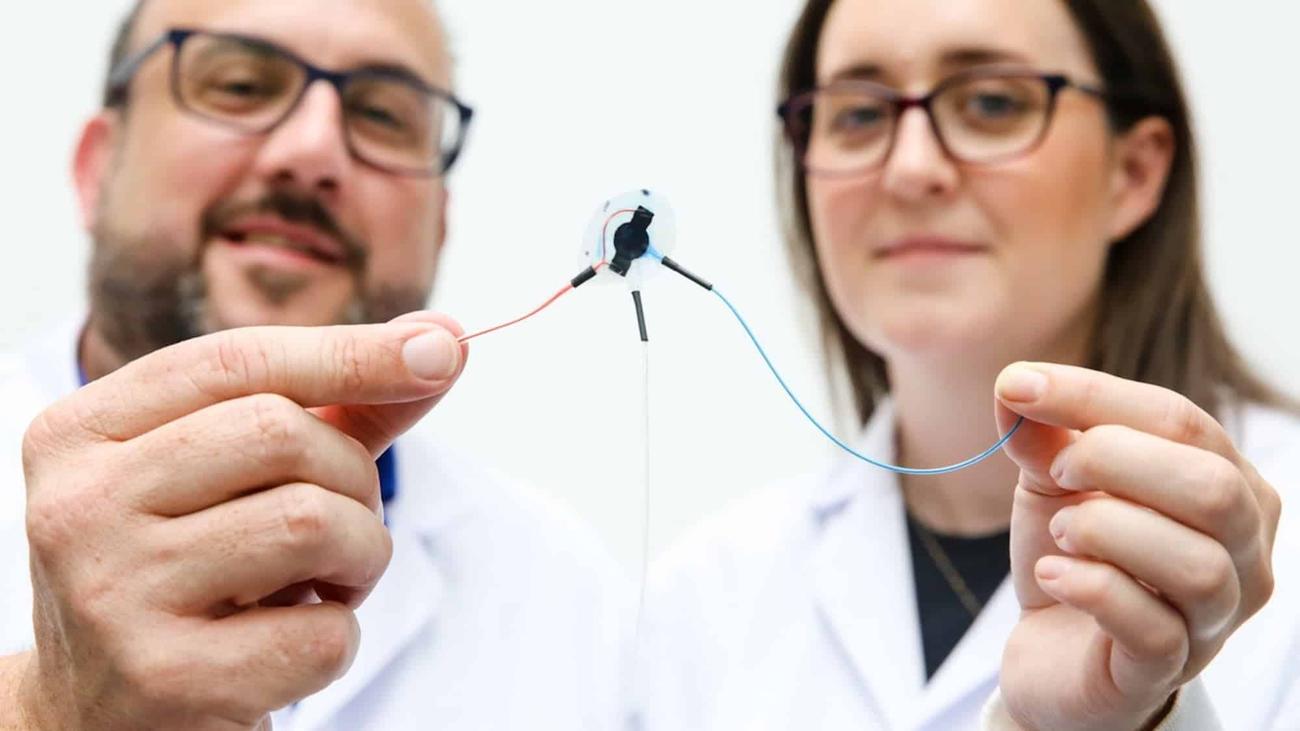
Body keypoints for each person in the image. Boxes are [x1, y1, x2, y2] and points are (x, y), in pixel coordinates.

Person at [636, 0, 1298, 729]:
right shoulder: (703, 602)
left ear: (1133, 172)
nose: (911, 168)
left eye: (990, 101)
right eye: (857, 115)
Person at [0, 1, 628, 728]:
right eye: (238, 84)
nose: (313, 151)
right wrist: (44, 710)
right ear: (96, 169)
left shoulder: (570, 595)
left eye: (383, 115)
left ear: (441, 225)